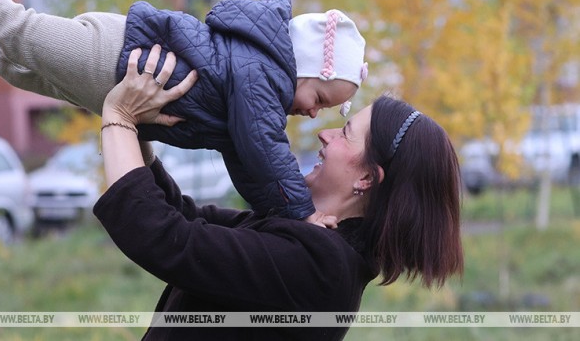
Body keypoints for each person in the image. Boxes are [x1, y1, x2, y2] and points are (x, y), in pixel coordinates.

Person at [0, 0, 369, 222]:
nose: (313, 115)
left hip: (112, 74)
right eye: (321, 101)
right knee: (19, 31)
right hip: (116, 54)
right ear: (303, 68)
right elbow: (268, 152)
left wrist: (280, 217)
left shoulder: (252, 96)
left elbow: (250, 168)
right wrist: (303, 216)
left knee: (17, 68)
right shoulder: (263, 75)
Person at [95, 45, 464, 339]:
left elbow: (165, 240)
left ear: (367, 178)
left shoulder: (322, 269)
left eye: (345, 133)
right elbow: (187, 220)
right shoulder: (310, 235)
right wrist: (137, 126)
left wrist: (119, 117)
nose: (325, 133)